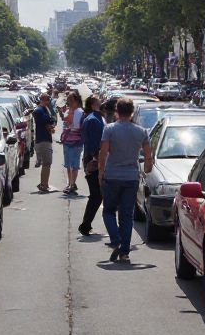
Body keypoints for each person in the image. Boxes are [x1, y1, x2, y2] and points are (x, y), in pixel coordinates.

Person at [98, 98, 152, 264]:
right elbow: (148, 156)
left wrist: (101, 172)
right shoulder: (141, 131)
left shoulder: (109, 129)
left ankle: (116, 240)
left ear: (116, 110)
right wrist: (147, 168)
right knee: (126, 215)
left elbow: (103, 152)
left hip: (112, 175)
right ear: (132, 112)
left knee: (108, 211)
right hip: (131, 177)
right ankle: (125, 252)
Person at [78, 95, 105, 235]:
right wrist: (97, 162)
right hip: (94, 162)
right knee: (96, 195)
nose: (101, 102)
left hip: (92, 160)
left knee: (97, 195)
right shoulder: (93, 120)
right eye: (99, 100)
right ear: (94, 104)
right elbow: (95, 145)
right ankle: (85, 225)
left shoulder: (92, 118)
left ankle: (86, 224)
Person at [59, 90, 84, 195]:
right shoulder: (68, 111)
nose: (69, 102)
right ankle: (70, 183)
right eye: (68, 100)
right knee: (68, 164)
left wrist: (71, 125)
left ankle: (72, 184)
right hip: (67, 140)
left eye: (71, 100)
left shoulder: (80, 112)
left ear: (76, 101)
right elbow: (64, 124)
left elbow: (79, 126)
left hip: (76, 141)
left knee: (74, 164)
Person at [33, 92, 56, 192]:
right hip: (43, 140)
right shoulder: (39, 110)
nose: (49, 102)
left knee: (47, 163)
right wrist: (50, 122)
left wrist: (50, 124)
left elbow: (50, 122)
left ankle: (45, 183)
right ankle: (43, 185)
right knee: (46, 163)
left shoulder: (43, 110)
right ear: (43, 100)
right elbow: (49, 120)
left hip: (45, 138)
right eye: (47, 100)